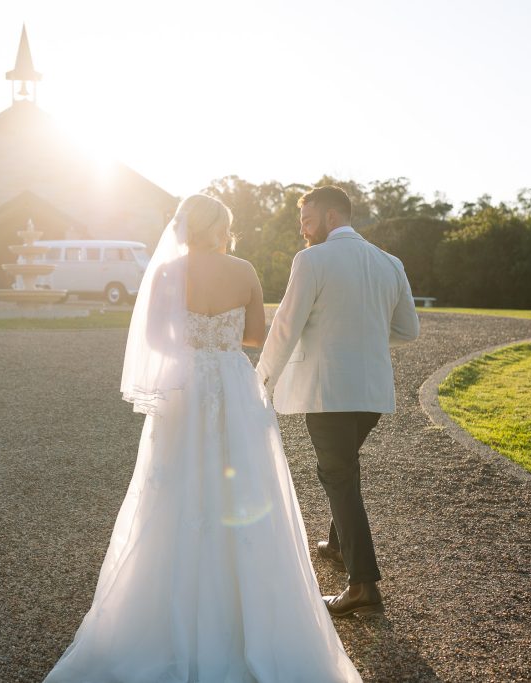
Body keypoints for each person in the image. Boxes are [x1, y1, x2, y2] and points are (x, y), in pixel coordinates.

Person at [45, 194, 361, 682]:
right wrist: (222, 335)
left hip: (185, 389)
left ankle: (164, 619)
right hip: (235, 386)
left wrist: (190, 340)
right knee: (247, 488)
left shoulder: (168, 272)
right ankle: (250, 617)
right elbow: (256, 335)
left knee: (172, 488)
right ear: (220, 228)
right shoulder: (245, 271)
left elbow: (152, 340)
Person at [256, 185, 420, 617]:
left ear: (331, 217)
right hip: (372, 395)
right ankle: (336, 543)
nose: (303, 231)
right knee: (343, 467)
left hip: (329, 392)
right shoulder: (391, 262)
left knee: (337, 474)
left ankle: (363, 586)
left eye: (307, 221)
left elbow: (286, 327)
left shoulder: (312, 260)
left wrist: (260, 381)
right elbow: (408, 330)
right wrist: (360, 332)